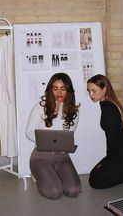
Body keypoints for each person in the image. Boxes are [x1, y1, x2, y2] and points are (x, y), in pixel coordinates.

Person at [26, 72, 81, 200]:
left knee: (73, 191)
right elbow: (28, 132)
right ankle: (38, 176)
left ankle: (54, 174)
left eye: (63, 89)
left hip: (62, 157)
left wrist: (61, 109)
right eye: (55, 88)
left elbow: (68, 134)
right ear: (50, 90)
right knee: (55, 192)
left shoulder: (74, 110)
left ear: (68, 90)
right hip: (41, 156)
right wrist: (45, 142)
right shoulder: (40, 106)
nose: (59, 93)